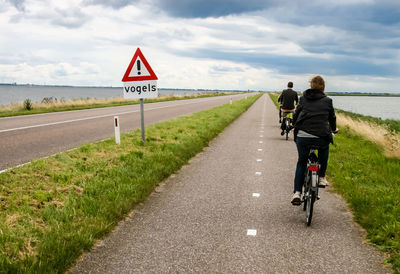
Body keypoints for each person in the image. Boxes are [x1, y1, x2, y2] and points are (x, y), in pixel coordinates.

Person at [291, 76, 338, 205]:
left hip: (303, 136)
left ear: (311, 85)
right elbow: (332, 118)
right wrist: (334, 129)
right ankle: (322, 177)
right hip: (321, 136)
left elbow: (296, 115)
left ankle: (297, 193)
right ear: (323, 87)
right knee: (324, 148)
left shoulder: (303, 99)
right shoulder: (328, 100)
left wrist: (294, 124)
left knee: (301, 162)